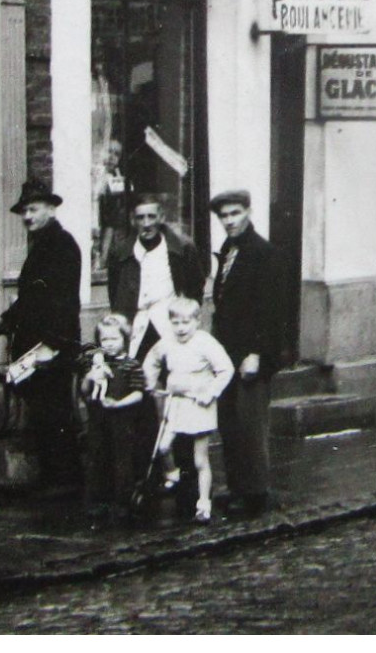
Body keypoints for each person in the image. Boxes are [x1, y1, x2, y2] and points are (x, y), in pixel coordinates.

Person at [0, 181, 83, 491]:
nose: (27, 216)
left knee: (55, 415)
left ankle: (67, 485)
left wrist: (53, 344)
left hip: (50, 345)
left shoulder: (61, 246)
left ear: (51, 209)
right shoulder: (42, 245)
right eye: (24, 211)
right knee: (44, 415)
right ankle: (54, 481)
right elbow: (31, 299)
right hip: (36, 344)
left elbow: (63, 302)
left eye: (33, 209)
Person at [209, 188, 296, 518]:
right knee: (229, 422)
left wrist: (257, 354)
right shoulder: (228, 250)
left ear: (248, 212)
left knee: (250, 424)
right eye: (223, 216)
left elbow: (272, 312)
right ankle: (236, 488)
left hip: (250, 356)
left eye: (234, 213)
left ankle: (256, 492)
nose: (229, 221)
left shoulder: (265, 254)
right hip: (226, 354)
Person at [141, 296, 233, 523]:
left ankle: (203, 504)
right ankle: (172, 475)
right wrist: (150, 383)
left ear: (197, 321)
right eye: (175, 323)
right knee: (163, 446)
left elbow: (225, 369)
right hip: (176, 404)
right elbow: (152, 359)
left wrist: (210, 392)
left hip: (198, 405)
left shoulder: (205, 342)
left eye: (186, 323)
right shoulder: (167, 341)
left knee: (200, 460)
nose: (181, 328)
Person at [106, 195, 206, 359]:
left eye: (151, 216)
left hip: (169, 326)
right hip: (136, 327)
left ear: (161, 217)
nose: (146, 223)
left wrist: (185, 320)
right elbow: (115, 293)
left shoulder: (182, 248)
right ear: (133, 220)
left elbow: (195, 289)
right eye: (140, 218)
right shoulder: (120, 252)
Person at [77, 314, 154, 526]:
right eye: (105, 340)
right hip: (98, 419)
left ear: (125, 340)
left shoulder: (131, 365)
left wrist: (119, 404)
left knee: (123, 461)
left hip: (122, 419)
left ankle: (123, 503)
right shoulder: (96, 364)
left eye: (114, 339)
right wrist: (89, 378)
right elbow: (84, 392)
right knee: (98, 457)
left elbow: (139, 394)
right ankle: (99, 502)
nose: (109, 345)